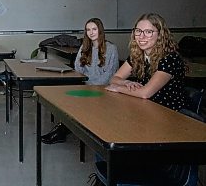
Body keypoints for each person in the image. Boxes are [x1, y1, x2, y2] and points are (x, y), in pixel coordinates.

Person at [100, 13, 191, 185]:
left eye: (149, 32)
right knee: (107, 134)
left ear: (160, 35)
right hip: (147, 114)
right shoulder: (138, 56)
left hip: (171, 121)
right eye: (138, 31)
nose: (142, 37)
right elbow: (114, 78)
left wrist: (119, 88)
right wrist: (125, 82)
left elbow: (145, 93)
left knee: (116, 139)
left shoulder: (169, 59)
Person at [41, 18, 119, 144]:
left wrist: (89, 84)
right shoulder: (85, 47)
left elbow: (110, 75)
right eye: (88, 30)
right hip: (85, 87)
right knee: (67, 101)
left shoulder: (111, 49)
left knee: (80, 104)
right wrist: (85, 84)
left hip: (103, 90)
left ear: (100, 30)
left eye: (94, 29)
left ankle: (62, 131)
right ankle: (61, 130)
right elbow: (78, 68)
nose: (91, 32)